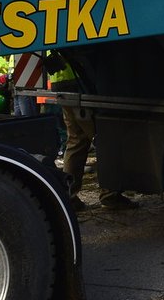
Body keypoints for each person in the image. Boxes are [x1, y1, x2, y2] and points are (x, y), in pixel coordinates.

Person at [48, 55, 138, 212]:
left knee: (76, 140)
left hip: (61, 82)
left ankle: (68, 196)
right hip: (79, 81)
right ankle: (110, 195)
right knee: (104, 138)